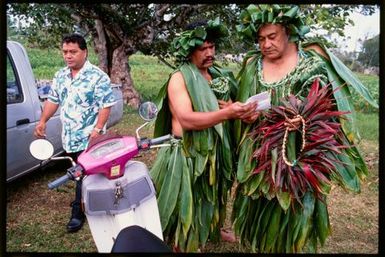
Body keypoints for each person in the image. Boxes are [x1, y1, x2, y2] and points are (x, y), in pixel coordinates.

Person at [231, 4, 378, 253]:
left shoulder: (311, 65)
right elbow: (246, 102)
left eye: (272, 37)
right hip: (261, 156)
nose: (265, 44)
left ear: (288, 32)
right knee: (261, 216)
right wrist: (246, 117)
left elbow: (328, 110)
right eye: (260, 39)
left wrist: (304, 119)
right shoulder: (252, 65)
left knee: (295, 220)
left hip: (300, 154)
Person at [150, 18, 257, 252]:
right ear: (189, 51)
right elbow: (186, 120)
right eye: (202, 48)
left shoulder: (217, 75)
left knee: (214, 194)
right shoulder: (180, 78)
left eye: (212, 47)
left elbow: (227, 107)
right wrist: (228, 113)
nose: (209, 53)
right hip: (186, 154)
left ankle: (212, 227)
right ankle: (185, 242)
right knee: (185, 206)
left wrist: (241, 112)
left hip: (214, 152)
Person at [34, 33, 116, 233]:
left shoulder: (97, 77)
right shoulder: (61, 75)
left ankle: (78, 212)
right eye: (65, 52)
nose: (68, 56)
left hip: (90, 137)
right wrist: (43, 120)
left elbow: (106, 106)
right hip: (69, 137)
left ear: (84, 52)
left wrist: (97, 129)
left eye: (73, 52)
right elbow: (53, 100)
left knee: (81, 174)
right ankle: (94, 201)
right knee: (84, 174)